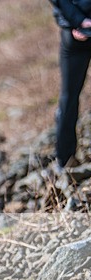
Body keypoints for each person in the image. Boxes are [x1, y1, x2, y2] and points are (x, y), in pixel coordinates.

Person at [51, 0, 91, 170]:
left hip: (74, 29)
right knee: (68, 99)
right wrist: (81, 21)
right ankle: (64, 160)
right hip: (75, 34)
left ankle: (64, 161)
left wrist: (79, 21)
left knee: (68, 98)